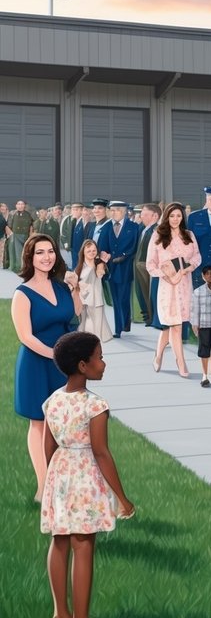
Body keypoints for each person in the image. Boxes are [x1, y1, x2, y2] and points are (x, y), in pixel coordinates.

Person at [41, 331, 134, 618]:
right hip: (83, 475)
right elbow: (101, 452)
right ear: (83, 366)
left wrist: (53, 480)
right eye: (100, 357)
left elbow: (48, 448)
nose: (104, 364)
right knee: (84, 544)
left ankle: (61, 615)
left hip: (60, 473)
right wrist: (122, 497)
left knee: (60, 540)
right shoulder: (95, 405)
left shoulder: (52, 401)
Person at [12, 234, 79, 502]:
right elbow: (25, 337)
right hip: (36, 364)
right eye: (40, 252)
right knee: (39, 423)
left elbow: (75, 314)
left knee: (63, 425)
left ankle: (63, 483)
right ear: (30, 257)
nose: (46, 257)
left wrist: (75, 288)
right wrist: (56, 355)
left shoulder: (61, 287)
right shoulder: (22, 294)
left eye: (50, 251)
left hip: (62, 364)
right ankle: (43, 487)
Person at [146, 203, 200, 378]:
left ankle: (158, 354)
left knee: (170, 327)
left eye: (178, 215)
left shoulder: (189, 235)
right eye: (172, 216)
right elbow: (150, 265)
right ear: (166, 217)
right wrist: (166, 273)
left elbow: (197, 256)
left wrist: (189, 267)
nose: (175, 219)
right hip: (167, 287)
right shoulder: (158, 236)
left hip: (185, 285)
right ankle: (181, 362)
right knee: (174, 325)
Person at [95, 201, 138, 337]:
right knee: (116, 299)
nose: (114, 212)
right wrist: (104, 257)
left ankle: (125, 322)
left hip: (125, 267)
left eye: (117, 210)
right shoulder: (107, 226)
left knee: (124, 298)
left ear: (124, 211)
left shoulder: (133, 227)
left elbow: (134, 246)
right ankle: (118, 329)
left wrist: (125, 256)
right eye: (112, 210)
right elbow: (102, 246)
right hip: (112, 268)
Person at [71, 239, 112, 343]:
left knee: (96, 332)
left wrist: (102, 261)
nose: (92, 253)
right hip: (82, 301)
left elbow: (100, 273)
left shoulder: (99, 264)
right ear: (83, 252)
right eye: (89, 251)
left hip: (96, 301)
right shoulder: (80, 266)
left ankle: (95, 352)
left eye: (94, 250)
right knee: (82, 328)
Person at [133, 204, 160, 327]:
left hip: (147, 266)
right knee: (141, 292)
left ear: (155, 216)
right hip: (139, 265)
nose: (141, 216)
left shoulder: (157, 230)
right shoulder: (143, 228)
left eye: (144, 214)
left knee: (148, 292)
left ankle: (152, 317)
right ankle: (147, 317)